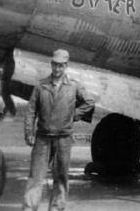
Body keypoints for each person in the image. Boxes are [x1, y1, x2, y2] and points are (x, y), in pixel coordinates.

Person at [23, 49, 95, 211]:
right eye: (55, 65)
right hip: (42, 138)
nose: (57, 69)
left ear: (66, 66)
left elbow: (89, 102)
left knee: (61, 177)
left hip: (64, 139)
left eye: (61, 66)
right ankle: (29, 208)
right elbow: (31, 110)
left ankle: (57, 208)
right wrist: (28, 132)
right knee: (36, 177)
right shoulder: (41, 86)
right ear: (51, 64)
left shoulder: (74, 86)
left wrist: (74, 115)